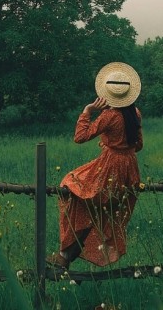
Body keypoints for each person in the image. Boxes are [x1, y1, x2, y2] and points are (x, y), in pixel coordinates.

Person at [47, 62, 143, 269]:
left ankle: (65, 255)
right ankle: (65, 256)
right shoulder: (135, 113)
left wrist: (87, 110)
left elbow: (80, 137)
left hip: (110, 166)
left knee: (71, 185)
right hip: (130, 169)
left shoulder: (109, 116)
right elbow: (139, 145)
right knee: (98, 212)